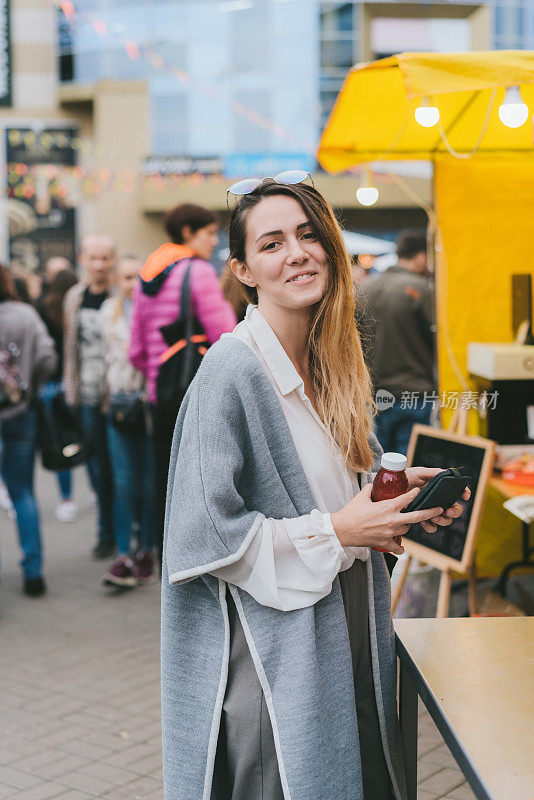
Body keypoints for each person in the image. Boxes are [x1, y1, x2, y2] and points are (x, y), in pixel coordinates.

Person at [160, 180, 470, 800]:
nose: (297, 253)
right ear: (243, 270)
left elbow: (325, 486)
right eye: (271, 244)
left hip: (345, 625)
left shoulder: (329, 362)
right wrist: (340, 530)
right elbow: (203, 535)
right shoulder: (232, 370)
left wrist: (387, 495)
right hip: (275, 657)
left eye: (307, 235)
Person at [129, 203, 236, 565]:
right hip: (195, 389)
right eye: (208, 233)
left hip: (161, 390)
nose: (214, 240)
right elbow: (226, 335)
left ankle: (164, 555)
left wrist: (157, 375)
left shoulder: (147, 275)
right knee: (201, 476)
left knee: (163, 474)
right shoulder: (198, 271)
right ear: (188, 233)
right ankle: (197, 556)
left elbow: (136, 349)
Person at [0, 263, 57, 597]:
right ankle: (33, 572)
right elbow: (47, 357)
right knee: (22, 492)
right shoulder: (25, 314)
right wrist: (30, 386)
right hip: (20, 413)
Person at [99, 255, 156, 588]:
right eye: (125, 278)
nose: (131, 284)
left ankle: (146, 550)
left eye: (137, 277)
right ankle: (123, 554)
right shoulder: (109, 313)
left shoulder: (156, 310)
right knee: (123, 484)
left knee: (148, 485)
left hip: (148, 405)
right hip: (120, 404)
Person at [63, 233, 117, 558]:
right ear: (83, 259)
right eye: (93, 258)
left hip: (115, 395)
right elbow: (70, 349)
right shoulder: (75, 297)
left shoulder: (120, 294)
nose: (99, 265)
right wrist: (70, 388)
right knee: (96, 468)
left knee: (118, 470)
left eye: (105, 258)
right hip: (85, 395)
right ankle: (104, 532)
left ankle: (125, 530)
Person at [360, 230, 435, 455]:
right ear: (422, 257)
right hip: (414, 393)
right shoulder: (420, 289)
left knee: (383, 464)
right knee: (411, 465)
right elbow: (438, 339)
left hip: (375, 394)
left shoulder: (365, 288)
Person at [36, 268, 78, 522]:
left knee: (60, 441)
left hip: (51, 386)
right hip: (73, 381)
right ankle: (96, 493)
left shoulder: (43, 307)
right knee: (85, 438)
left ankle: (66, 498)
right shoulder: (75, 305)